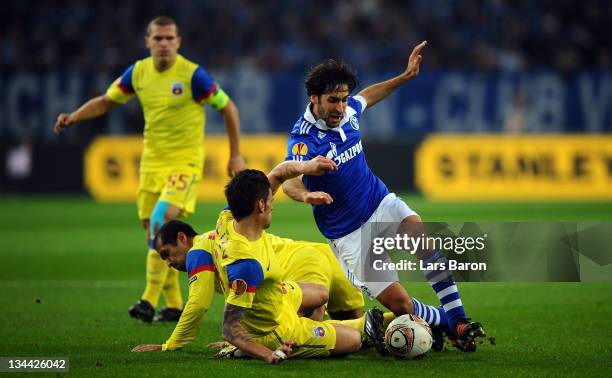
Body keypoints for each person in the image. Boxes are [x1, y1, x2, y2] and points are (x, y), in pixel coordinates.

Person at [282, 41, 485, 351]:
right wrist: (307, 196)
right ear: (315, 99)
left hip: (379, 202)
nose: (340, 107)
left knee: (425, 242)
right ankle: (443, 321)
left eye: (343, 99)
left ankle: (458, 320)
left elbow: (369, 96)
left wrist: (404, 76)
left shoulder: (348, 111)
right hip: (348, 233)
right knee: (401, 305)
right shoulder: (303, 140)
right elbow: (288, 181)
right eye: (332, 101)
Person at [54, 16, 246, 323]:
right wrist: (74, 117)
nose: (164, 44)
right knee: (156, 239)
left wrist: (236, 154)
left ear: (178, 42)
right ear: (148, 42)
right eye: (158, 38)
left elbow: (229, 108)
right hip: (151, 165)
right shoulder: (138, 72)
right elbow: (106, 101)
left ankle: (147, 299)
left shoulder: (193, 75)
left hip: (185, 163)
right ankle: (173, 305)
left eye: (170, 38)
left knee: (160, 219)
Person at [134, 158, 387, 363]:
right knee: (354, 340)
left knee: (320, 293)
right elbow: (230, 328)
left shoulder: (226, 219)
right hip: (275, 329)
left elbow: (278, 173)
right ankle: (395, 323)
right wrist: (268, 353)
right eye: (271, 200)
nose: (273, 204)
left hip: (281, 295)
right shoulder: (246, 265)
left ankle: (365, 325)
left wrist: (306, 167)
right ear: (260, 205)